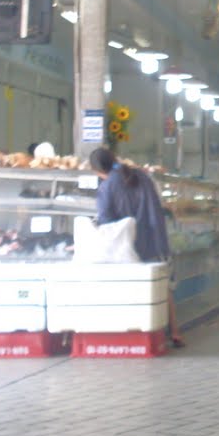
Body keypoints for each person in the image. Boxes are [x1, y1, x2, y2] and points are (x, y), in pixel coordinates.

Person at [90, 147, 185, 348]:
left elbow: (106, 222)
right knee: (163, 286)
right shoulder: (141, 175)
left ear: (97, 170)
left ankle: (135, 332)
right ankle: (175, 332)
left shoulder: (107, 187)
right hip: (154, 239)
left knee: (133, 288)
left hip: (127, 246)